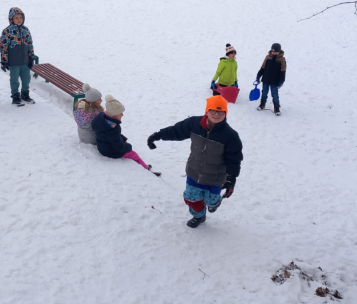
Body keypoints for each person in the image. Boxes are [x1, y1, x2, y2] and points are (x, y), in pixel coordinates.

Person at [147, 95, 243, 228]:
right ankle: (199, 216)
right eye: (213, 110)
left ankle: (214, 204)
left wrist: (231, 178)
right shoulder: (194, 124)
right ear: (207, 111)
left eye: (221, 111)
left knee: (212, 200)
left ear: (225, 113)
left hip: (215, 177)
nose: (216, 114)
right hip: (194, 171)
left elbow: (234, 158)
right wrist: (157, 135)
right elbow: (176, 131)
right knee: (191, 198)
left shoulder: (230, 135)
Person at [92, 95, 160, 175]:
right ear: (114, 114)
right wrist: (128, 146)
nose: (122, 115)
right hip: (109, 151)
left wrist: (123, 139)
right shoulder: (113, 128)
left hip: (103, 146)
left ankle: (144, 167)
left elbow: (112, 137)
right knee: (133, 154)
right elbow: (118, 146)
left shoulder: (104, 120)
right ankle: (147, 170)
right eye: (120, 113)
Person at [0, 7, 35, 106]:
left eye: (20, 17)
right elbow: (3, 46)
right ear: (11, 19)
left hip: (25, 61)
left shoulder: (25, 30)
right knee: (14, 79)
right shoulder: (7, 31)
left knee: (26, 79)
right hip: (14, 61)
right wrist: (4, 60)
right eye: (16, 18)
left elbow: (30, 44)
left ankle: (25, 94)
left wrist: (31, 57)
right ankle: (15, 96)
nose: (19, 19)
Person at [256, 43, 286, 116]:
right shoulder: (268, 57)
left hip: (275, 80)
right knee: (264, 92)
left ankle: (276, 107)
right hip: (266, 78)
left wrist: (281, 80)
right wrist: (259, 75)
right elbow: (263, 67)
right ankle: (262, 104)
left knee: (275, 94)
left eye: (276, 51)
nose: (275, 53)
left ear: (279, 51)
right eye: (273, 51)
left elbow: (283, 70)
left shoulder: (282, 59)